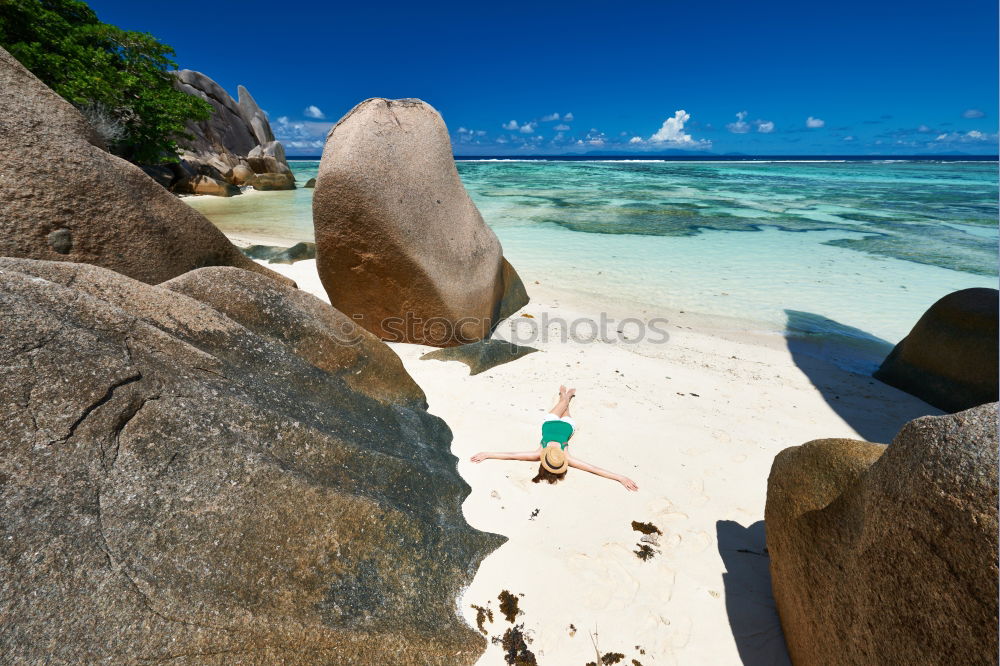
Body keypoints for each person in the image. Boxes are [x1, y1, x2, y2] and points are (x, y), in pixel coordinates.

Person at [470, 386, 639, 491]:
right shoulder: (565, 457)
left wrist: (487, 454)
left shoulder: (539, 453)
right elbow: (593, 468)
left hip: (551, 423)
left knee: (562, 405)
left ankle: (564, 396)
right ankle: (566, 396)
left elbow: (511, 455)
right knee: (565, 408)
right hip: (567, 426)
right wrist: (619, 477)